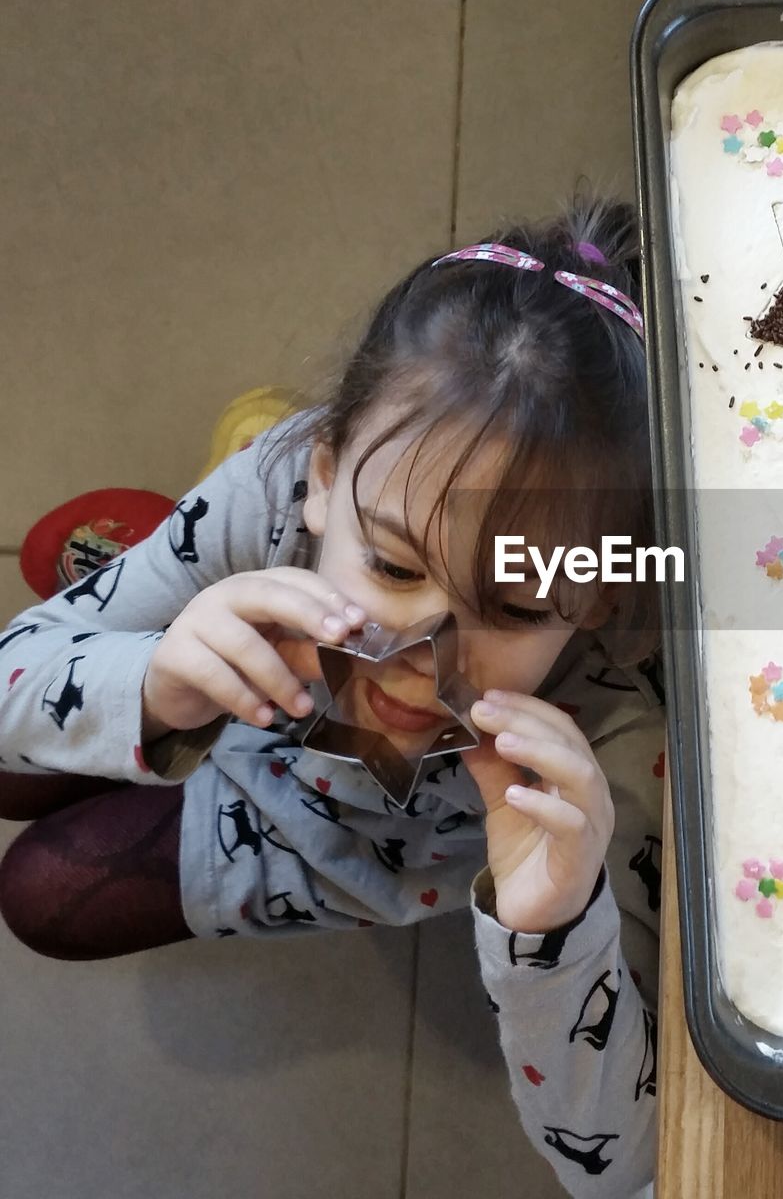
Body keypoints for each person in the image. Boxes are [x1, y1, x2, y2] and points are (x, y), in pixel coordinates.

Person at [0, 197, 665, 1198]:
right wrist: (157, 678)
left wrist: (555, 927)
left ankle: (163, 589)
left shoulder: (614, 739)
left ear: (602, 596)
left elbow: (636, 1167)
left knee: (42, 895)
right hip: (246, 681)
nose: (420, 657)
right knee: (24, 753)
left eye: (514, 604)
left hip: (347, 839)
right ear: (321, 474)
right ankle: (164, 586)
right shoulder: (270, 490)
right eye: (395, 565)